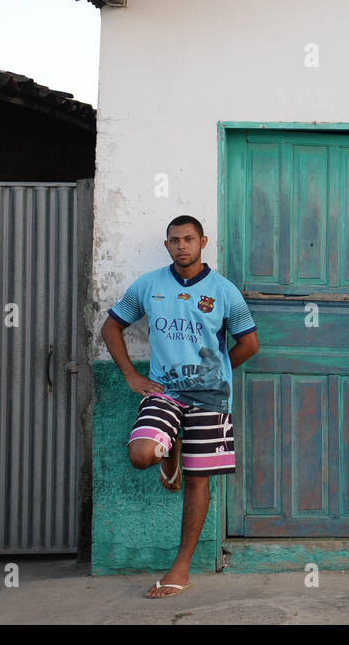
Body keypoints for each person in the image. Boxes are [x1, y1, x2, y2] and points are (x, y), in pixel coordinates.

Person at [99, 214, 259, 598]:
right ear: (167, 244)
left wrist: (215, 372)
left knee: (198, 480)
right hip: (164, 391)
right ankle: (168, 453)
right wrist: (131, 377)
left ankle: (181, 568)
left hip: (209, 397)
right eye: (174, 240)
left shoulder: (224, 291)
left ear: (203, 242)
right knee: (141, 454)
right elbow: (111, 327)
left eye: (188, 239)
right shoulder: (149, 284)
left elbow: (249, 344)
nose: (181, 246)